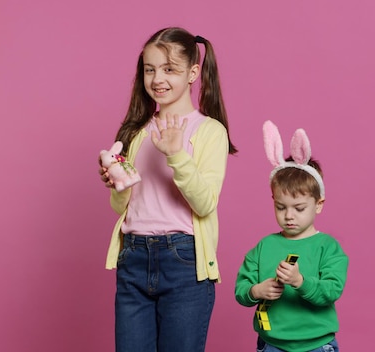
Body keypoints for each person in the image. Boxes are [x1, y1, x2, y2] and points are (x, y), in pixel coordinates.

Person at [98, 27, 237, 352]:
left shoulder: (209, 131)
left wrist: (175, 153)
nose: (157, 78)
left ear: (192, 73)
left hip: (184, 261)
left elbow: (204, 203)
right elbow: (123, 207)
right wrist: (117, 181)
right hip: (133, 256)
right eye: (150, 69)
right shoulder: (136, 131)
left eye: (169, 69)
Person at [235, 121, 348, 352]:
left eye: (299, 208)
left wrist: (300, 282)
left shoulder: (328, 247)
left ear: (318, 205)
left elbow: (332, 291)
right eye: (281, 207)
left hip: (316, 344)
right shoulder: (264, 246)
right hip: (272, 345)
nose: (289, 216)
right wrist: (255, 291)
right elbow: (241, 288)